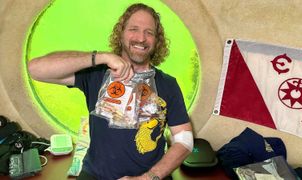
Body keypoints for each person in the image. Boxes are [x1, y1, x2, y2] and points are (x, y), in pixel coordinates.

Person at [28, 3, 193, 180]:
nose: (141, 38)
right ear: (121, 34)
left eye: (149, 32)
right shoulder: (97, 73)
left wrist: (149, 177)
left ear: (157, 41)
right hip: (95, 175)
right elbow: (36, 69)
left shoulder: (168, 84)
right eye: (133, 29)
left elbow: (185, 141)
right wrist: (101, 57)